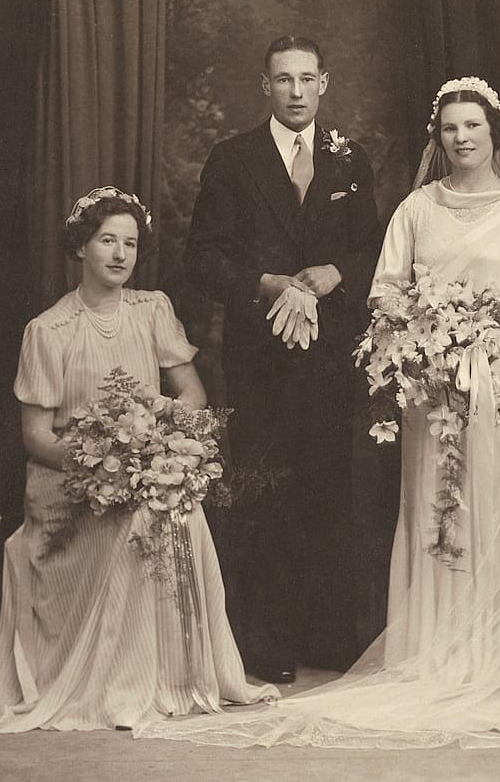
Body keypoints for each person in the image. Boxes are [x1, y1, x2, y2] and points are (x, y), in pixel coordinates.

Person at [137, 78, 500, 749]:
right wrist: (428, 335)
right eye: (450, 128)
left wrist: (483, 333)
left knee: (487, 511)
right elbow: (385, 293)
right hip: (431, 393)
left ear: (495, 135)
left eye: (473, 128)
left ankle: (489, 658)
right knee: (434, 511)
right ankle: (430, 656)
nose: (461, 139)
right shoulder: (416, 210)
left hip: (497, 391)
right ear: (439, 135)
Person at [0, 187, 277, 732]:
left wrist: (155, 441)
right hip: (69, 484)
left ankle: (172, 678)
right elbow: (36, 436)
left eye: (130, 244)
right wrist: (101, 465)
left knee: (176, 510)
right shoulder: (49, 331)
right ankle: (119, 683)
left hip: (142, 468)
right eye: (107, 241)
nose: (121, 254)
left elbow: (192, 395)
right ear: (81, 248)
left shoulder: (152, 311)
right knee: (137, 516)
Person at [184, 36, 383, 684]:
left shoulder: (350, 161)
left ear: (325, 83)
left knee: (328, 491)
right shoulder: (233, 159)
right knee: (262, 496)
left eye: (306, 78)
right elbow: (204, 257)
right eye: (283, 79)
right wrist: (266, 282)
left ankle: (326, 635)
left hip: (328, 361)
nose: (296, 91)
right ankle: (263, 640)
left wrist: (336, 272)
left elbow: (377, 253)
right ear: (264, 86)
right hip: (259, 360)